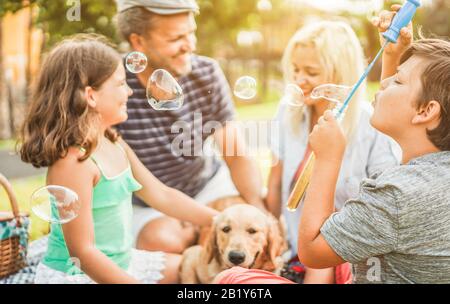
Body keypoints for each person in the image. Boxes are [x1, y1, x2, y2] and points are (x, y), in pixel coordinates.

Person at [19, 34, 218, 284]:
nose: (130, 91)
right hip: (82, 275)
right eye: (121, 84)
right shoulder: (73, 163)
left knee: (200, 273)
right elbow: (83, 252)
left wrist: (220, 219)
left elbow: (161, 195)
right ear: (91, 96)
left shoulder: (113, 141)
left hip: (123, 264)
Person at [114, 0, 265, 254]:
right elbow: (150, 191)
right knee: (163, 240)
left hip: (206, 186)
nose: (190, 46)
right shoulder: (116, 85)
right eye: (176, 38)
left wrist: (258, 210)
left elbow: (236, 155)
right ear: (138, 42)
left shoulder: (206, 72)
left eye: (191, 33)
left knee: (246, 220)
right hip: (149, 203)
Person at [265, 20, 400, 283]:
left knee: (320, 265)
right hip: (295, 248)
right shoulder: (287, 111)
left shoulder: (370, 123)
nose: (299, 79)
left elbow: (385, 204)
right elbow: (274, 183)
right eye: (295, 69)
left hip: (346, 252)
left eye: (311, 72)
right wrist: (271, 236)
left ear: (340, 73)